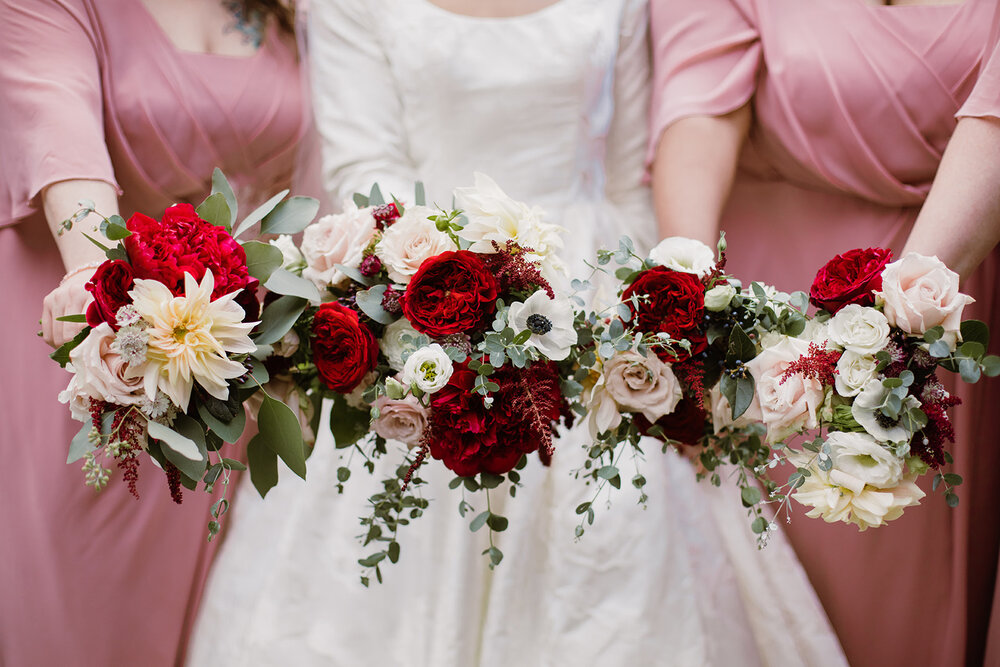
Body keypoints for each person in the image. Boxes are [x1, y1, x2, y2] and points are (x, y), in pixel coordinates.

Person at [188, 1, 847, 665]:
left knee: (623, 538)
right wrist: (467, 287)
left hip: (588, 287)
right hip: (425, 287)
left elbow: (625, 181)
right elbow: (363, 172)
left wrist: (648, 324)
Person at [647, 0, 999, 664]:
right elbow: (698, 105)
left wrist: (893, 329)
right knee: (797, 578)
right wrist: (685, 308)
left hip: (956, 293)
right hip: (780, 315)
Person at [0, 1, 305, 664]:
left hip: (227, 367)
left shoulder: (282, 10)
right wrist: (100, 286)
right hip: (91, 352)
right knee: (75, 616)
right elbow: (57, 123)